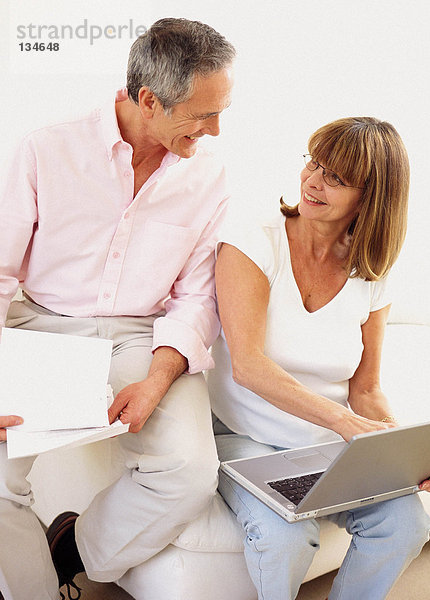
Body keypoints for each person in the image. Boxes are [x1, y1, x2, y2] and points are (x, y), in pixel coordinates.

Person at [0, 18, 235, 600]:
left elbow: (196, 296)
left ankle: (74, 553)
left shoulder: (209, 175)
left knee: (188, 474)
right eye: (203, 114)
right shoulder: (46, 149)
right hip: (42, 325)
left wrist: (159, 377)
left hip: (141, 335)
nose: (217, 128)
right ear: (149, 99)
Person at [208, 117, 430, 600]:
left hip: (326, 444)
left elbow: (366, 388)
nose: (312, 180)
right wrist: (345, 424)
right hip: (245, 439)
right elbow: (247, 364)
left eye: (335, 177)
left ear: (370, 197)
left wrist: (398, 450)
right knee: (287, 539)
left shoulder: (372, 271)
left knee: (406, 524)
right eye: (314, 163)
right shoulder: (252, 242)